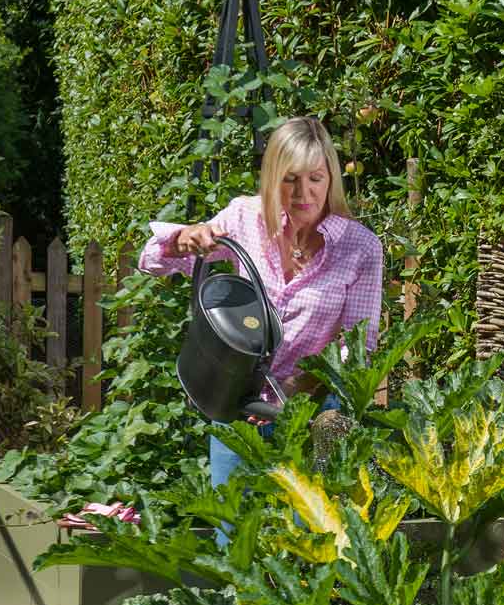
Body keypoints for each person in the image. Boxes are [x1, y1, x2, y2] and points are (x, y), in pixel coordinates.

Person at [138, 116, 382, 487]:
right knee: (232, 521)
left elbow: (359, 347)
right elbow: (152, 261)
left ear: (331, 178)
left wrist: (297, 391)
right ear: (272, 177)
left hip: (310, 417)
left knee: (306, 523)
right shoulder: (245, 218)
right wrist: (185, 239)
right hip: (237, 409)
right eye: (290, 179)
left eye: (315, 178)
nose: (303, 193)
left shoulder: (360, 248)